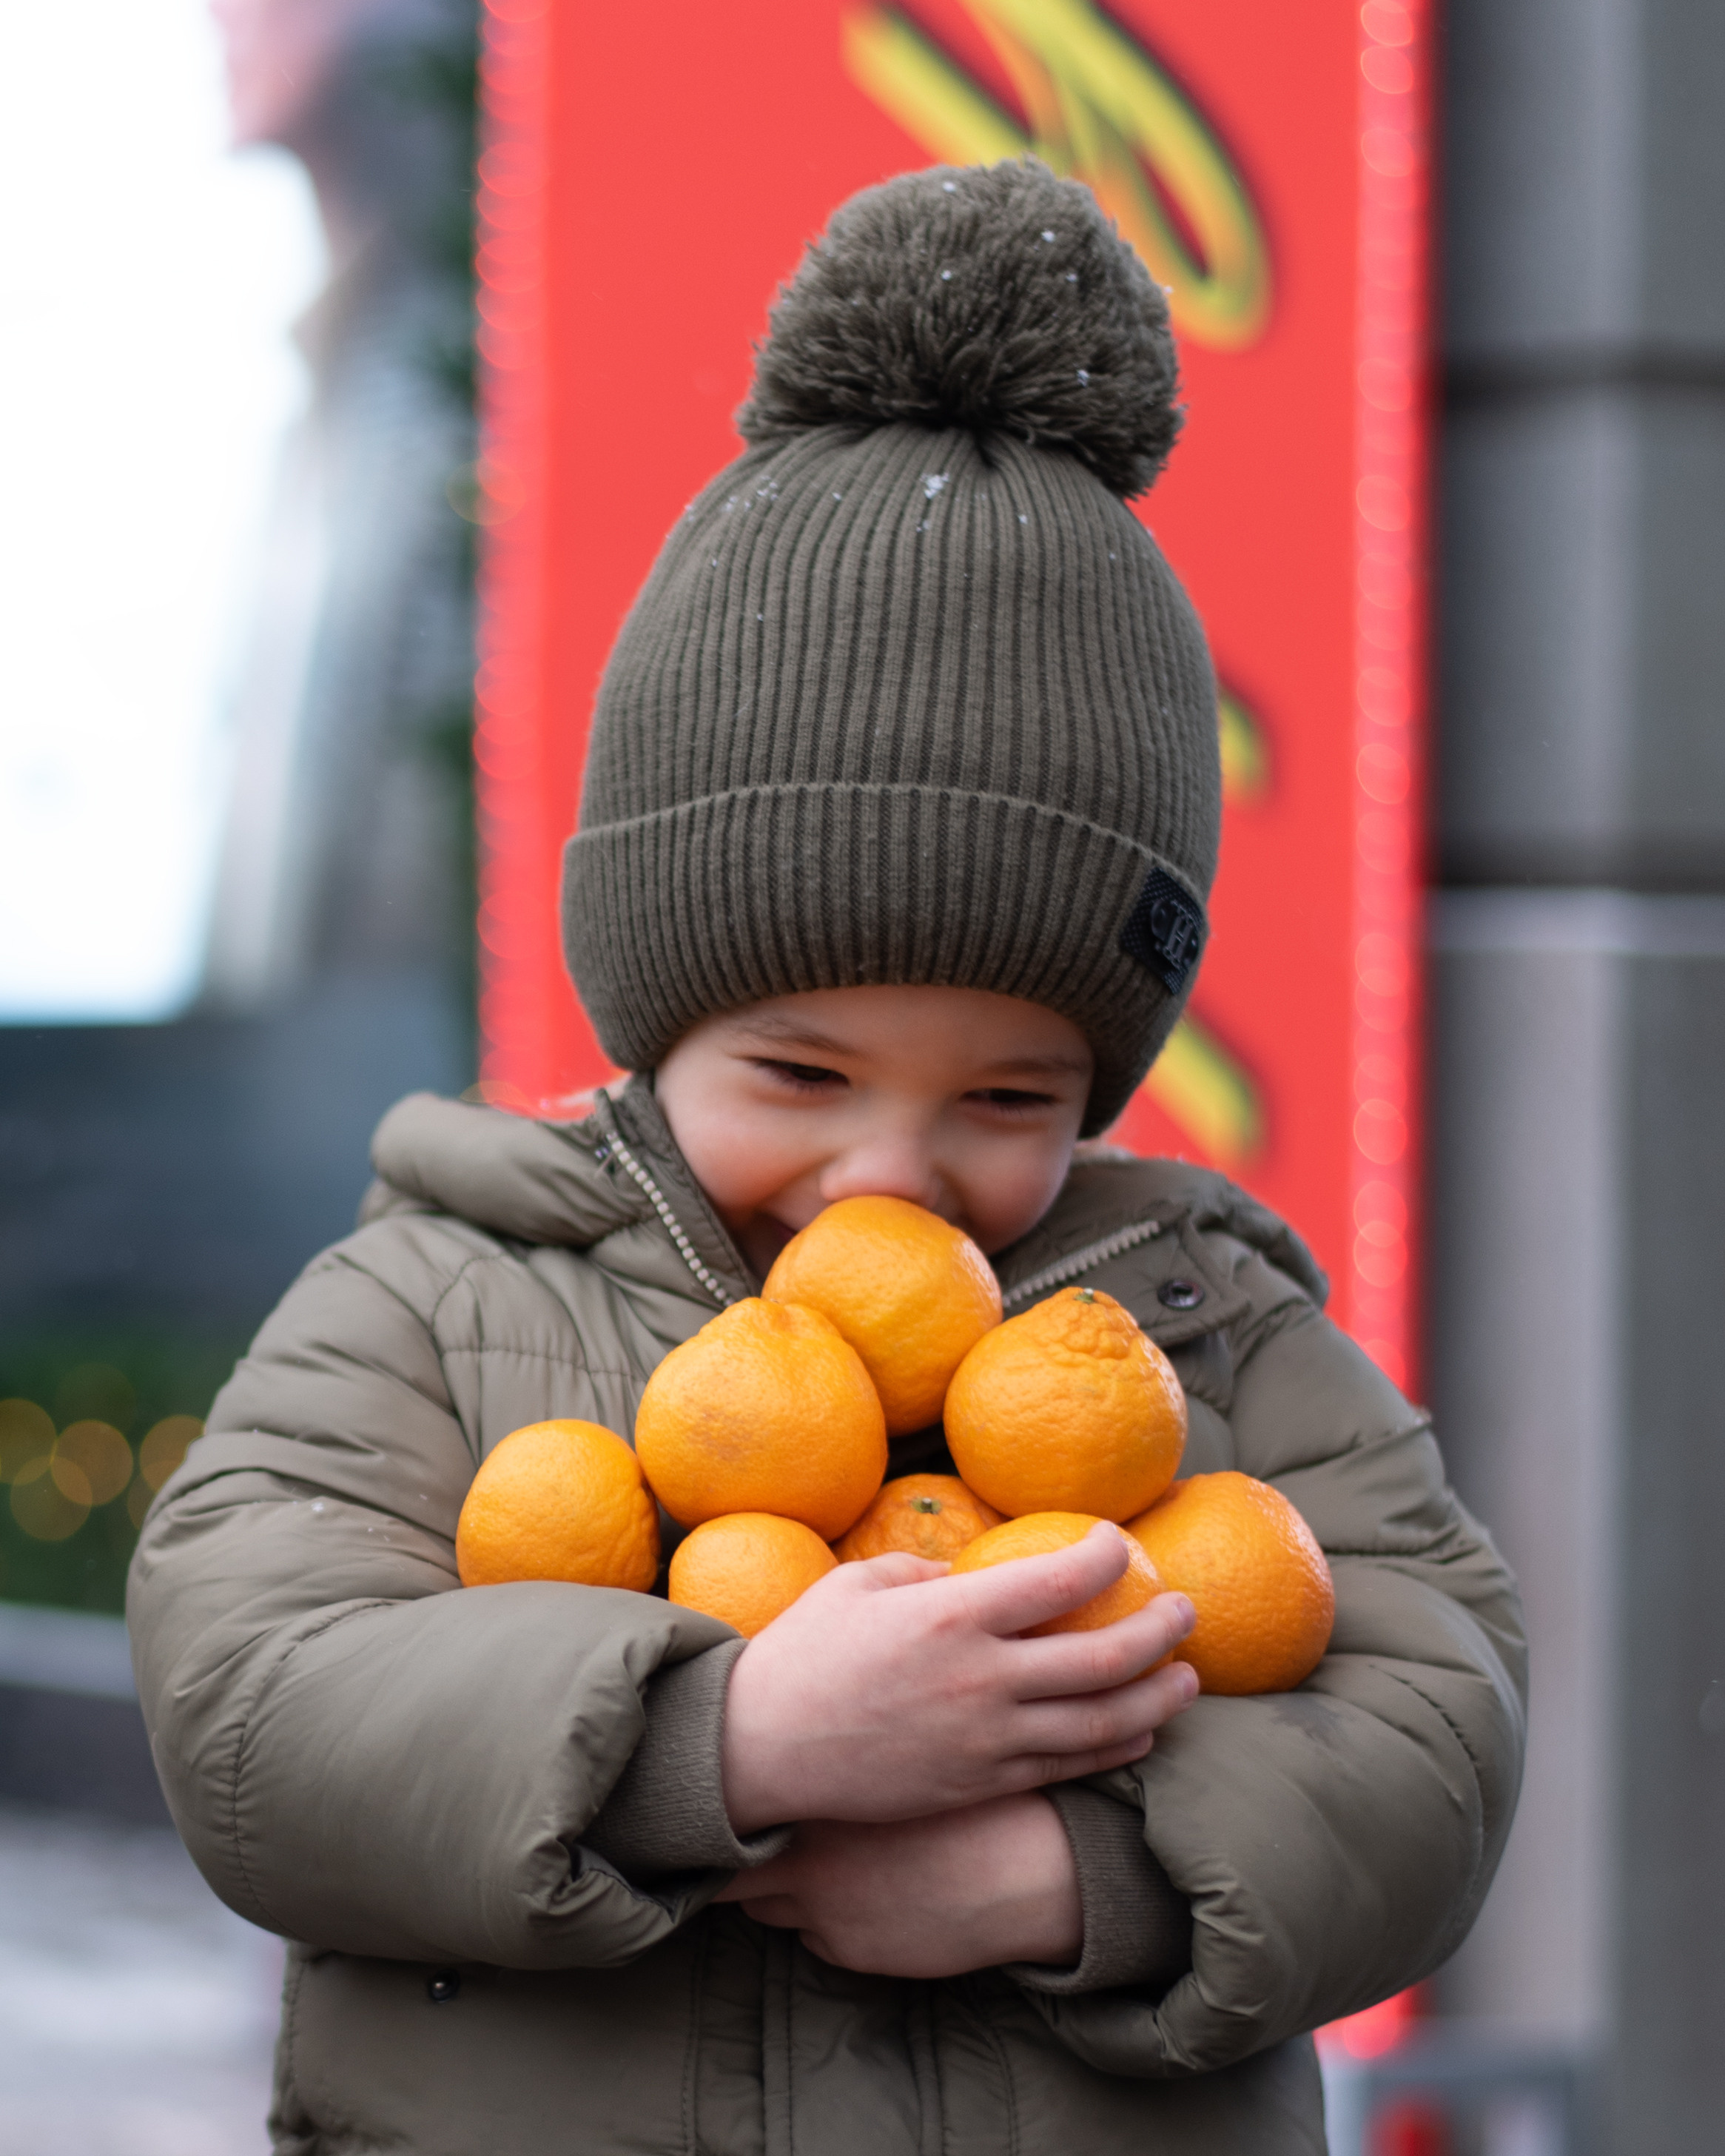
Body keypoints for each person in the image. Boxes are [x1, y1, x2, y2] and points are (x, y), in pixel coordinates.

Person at [129, 160, 1527, 2155]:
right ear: (653, 1010)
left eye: (1007, 1098)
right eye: (798, 1069)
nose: (892, 1170)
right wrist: (724, 1737)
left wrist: (1078, 1876)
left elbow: (1435, 1725)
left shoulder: (1202, 1331)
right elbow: (248, 1707)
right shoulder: (441, 1294)